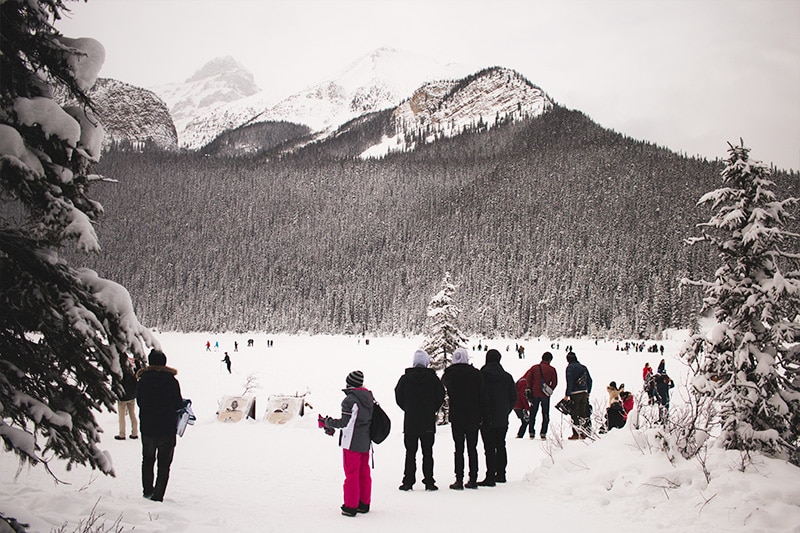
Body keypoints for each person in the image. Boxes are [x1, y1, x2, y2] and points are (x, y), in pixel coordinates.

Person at [320, 370, 374, 517]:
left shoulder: (350, 400)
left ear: (349, 383)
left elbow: (344, 423)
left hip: (351, 443)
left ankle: (350, 506)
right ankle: (364, 503)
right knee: (364, 472)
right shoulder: (369, 397)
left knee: (351, 474)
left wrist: (327, 422)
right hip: (365, 440)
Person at [394, 349, 446, 491]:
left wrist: (408, 408)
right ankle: (429, 481)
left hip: (411, 420)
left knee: (410, 452)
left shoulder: (405, 379)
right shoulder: (433, 379)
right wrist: (432, 408)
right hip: (427, 420)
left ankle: (408, 481)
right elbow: (440, 395)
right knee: (427, 452)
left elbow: (398, 396)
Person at [136, 349, 184, 502]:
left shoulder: (142, 380)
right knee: (164, 464)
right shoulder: (171, 381)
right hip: (166, 428)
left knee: (148, 460)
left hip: (148, 427)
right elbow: (177, 403)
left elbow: (140, 402)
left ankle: (147, 491)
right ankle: (158, 495)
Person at [442, 347, 486, 490]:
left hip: (457, 416)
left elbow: (444, 385)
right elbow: (482, 395)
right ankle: (473, 479)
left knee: (458, 448)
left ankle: (459, 479)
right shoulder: (476, 374)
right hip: (473, 415)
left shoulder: (449, 374)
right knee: (472, 448)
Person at [478, 349, 516, 486]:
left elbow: (477, 396)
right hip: (502, 417)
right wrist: (506, 410)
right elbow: (513, 397)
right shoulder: (507, 377)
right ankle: (501, 474)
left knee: (489, 447)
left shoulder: (481, 376)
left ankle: (490, 476)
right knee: (501, 445)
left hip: (486, 417)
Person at [523, 351, 558, 440]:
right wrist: (549, 390)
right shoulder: (552, 369)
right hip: (545, 395)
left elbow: (528, 379)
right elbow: (555, 382)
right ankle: (543, 433)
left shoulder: (534, 368)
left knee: (533, 413)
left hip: (534, 393)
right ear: (550, 360)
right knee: (545, 414)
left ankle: (531, 432)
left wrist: (530, 388)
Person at [563, 351, 592, 440]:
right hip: (584, 392)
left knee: (574, 413)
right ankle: (584, 432)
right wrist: (588, 391)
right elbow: (590, 380)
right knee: (583, 413)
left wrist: (567, 394)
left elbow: (570, 381)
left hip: (575, 393)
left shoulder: (570, 368)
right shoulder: (583, 367)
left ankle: (576, 433)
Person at [115, 358, 140, 440]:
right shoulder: (133, 369)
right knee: (132, 414)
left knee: (121, 416)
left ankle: (122, 434)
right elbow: (139, 372)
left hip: (123, 396)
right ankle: (134, 432)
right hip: (132, 395)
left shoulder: (120, 370)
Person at [512, 374, 530, 439]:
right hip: (520, 405)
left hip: (517, 405)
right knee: (526, 421)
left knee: (525, 421)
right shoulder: (524, 382)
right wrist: (527, 407)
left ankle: (519, 435)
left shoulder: (521, 380)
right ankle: (519, 436)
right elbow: (523, 395)